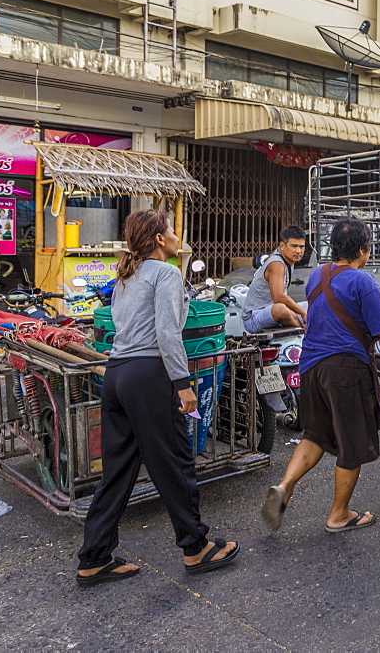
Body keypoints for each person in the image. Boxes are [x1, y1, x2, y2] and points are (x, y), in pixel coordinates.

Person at [76, 210, 239, 588]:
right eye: (170, 229)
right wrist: (183, 384)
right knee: (175, 462)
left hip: (118, 375)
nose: (175, 234)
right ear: (158, 239)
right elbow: (168, 332)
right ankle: (196, 547)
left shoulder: (126, 277)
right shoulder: (165, 273)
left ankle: (94, 557)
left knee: (117, 471)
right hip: (150, 375)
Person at [261, 217, 380, 533]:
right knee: (352, 441)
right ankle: (339, 515)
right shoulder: (363, 282)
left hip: (311, 368)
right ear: (362, 250)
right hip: (345, 370)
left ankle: (285, 485)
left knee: (316, 434)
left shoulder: (319, 274)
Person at [243, 225, 308, 333]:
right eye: (294, 246)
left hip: (268, 311)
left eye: (301, 247)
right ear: (282, 246)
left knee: (314, 304)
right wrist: (302, 312)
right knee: (281, 309)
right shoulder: (277, 264)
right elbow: (278, 297)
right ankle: (305, 333)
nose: (298, 251)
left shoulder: (285, 258)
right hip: (253, 318)